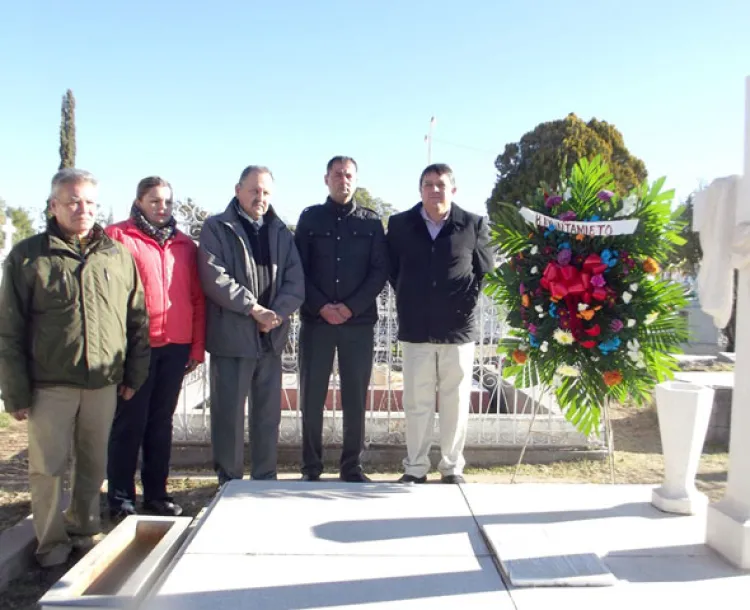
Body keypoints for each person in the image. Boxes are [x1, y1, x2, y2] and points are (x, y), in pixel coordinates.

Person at [0, 168, 150, 567]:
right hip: (50, 384)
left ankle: (84, 528)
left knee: (92, 462)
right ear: (53, 205)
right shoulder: (28, 256)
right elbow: (9, 329)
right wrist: (14, 391)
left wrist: (133, 374)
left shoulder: (117, 256)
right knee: (47, 469)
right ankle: (50, 543)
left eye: (89, 202)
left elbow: (137, 319)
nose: (82, 209)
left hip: (102, 382)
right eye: (72, 201)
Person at [105, 177, 206, 520]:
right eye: (154, 201)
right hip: (138, 347)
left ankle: (157, 494)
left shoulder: (184, 245)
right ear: (139, 201)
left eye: (166, 201)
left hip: (175, 346)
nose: (161, 207)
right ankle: (120, 498)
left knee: (160, 424)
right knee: (129, 423)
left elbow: (195, 297)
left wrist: (196, 347)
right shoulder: (118, 237)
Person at [387, 163, 494, 484]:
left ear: (453, 190)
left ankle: (451, 467)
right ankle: (415, 467)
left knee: (456, 400)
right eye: (428, 184)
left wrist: (458, 303)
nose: (435, 190)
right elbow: (393, 271)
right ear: (420, 189)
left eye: (441, 184)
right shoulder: (400, 224)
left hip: (458, 330)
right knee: (416, 401)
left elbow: (484, 271)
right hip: (416, 328)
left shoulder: (473, 225)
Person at [198, 165, 304, 484]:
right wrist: (254, 309)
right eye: (254, 190)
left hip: (269, 340)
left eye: (266, 192)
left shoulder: (281, 231)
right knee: (229, 416)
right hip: (232, 339)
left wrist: (275, 315)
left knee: (267, 417)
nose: (260, 197)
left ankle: (265, 479)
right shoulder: (217, 227)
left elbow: (295, 280)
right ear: (238, 190)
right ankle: (229, 481)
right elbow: (215, 278)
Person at [294, 156, 388, 482]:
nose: (343, 180)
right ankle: (311, 467)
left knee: (354, 398)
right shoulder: (309, 219)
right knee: (311, 396)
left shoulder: (372, 223)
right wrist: (321, 306)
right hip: (316, 322)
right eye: (337, 174)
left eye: (348, 175)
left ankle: (352, 466)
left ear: (356, 180)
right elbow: (298, 269)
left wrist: (350, 308)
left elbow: (380, 271)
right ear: (326, 179)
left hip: (357, 325)